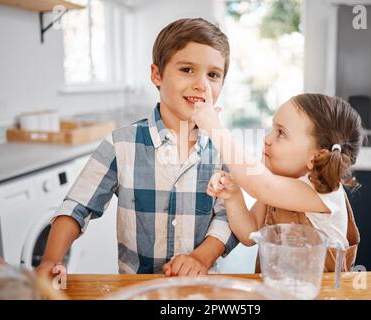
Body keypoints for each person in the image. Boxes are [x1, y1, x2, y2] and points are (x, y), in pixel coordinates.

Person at [37, 18, 238, 277]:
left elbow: (227, 217)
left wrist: (201, 257)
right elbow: (77, 206)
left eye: (213, 74)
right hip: (136, 289)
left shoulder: (223, 145)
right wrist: (50, 259)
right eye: (187, 69)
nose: (202, 84)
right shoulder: (121, 143)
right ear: (157, 74)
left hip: (201, 290)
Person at [192, 92, 363, 271]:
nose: (267, 139)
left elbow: (261, 185)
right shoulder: (277, 185)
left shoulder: (324, 192)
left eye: (281, 133)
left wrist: (215, 128)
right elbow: (249, 234)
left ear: (316, 156)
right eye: (272, 129)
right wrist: (233, 196)